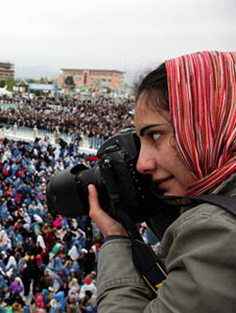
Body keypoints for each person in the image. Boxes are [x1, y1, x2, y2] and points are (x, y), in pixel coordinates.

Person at [88, 51, 236, 311]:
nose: (142, 164)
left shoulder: (218, 230)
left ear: (205, 123)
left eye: (155, 135)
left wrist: (116, 239)